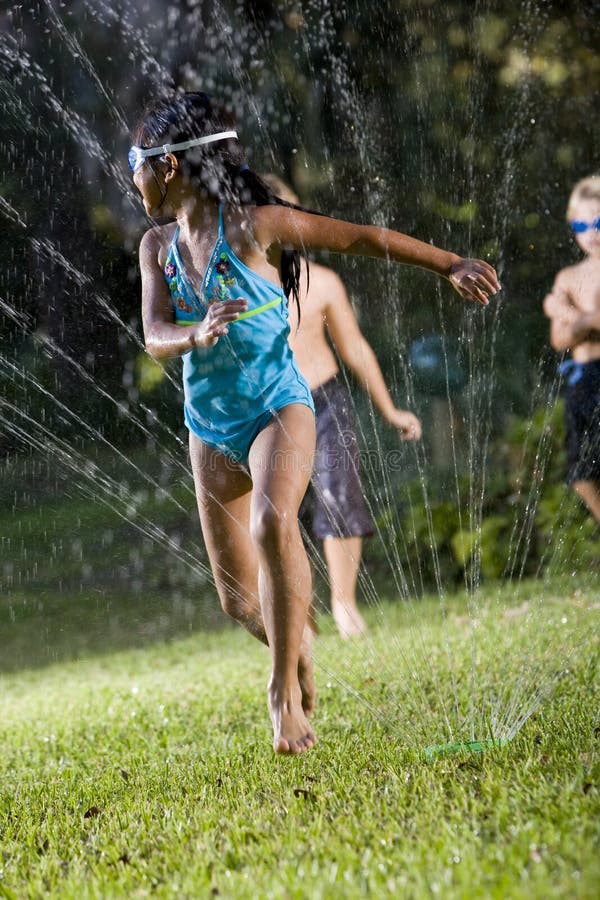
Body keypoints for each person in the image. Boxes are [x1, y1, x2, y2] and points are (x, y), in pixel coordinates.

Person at [130, 91, 500, 755]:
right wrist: (194, 336)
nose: (128, 174)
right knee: (241, 603)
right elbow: (155, 332)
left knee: (274, 521)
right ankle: (294, 646)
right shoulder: (156, 245)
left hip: (280, 405)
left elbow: (360, 237)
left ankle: (283, 696)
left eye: (133, 160)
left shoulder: (254, 225)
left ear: (165, 167)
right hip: (208, 427)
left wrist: (450, 263)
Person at [260, 174, 422, 640]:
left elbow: (355, 348)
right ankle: (297, 613)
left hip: (326, 400)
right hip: (269, 409)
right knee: (276, 513)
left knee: (340, 496)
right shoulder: (242, 286)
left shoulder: (325, 283)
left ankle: (344, 603)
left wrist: (390, 409)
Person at [543, 175, 600, 524]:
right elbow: (559, 340)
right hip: (582, 380)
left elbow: (574, 325)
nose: (591, 231)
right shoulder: (567, 277)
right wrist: (585, 321)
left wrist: (567, 314)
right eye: (581, 223)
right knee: (581, 472)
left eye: (599, 221)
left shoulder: (563, 294)